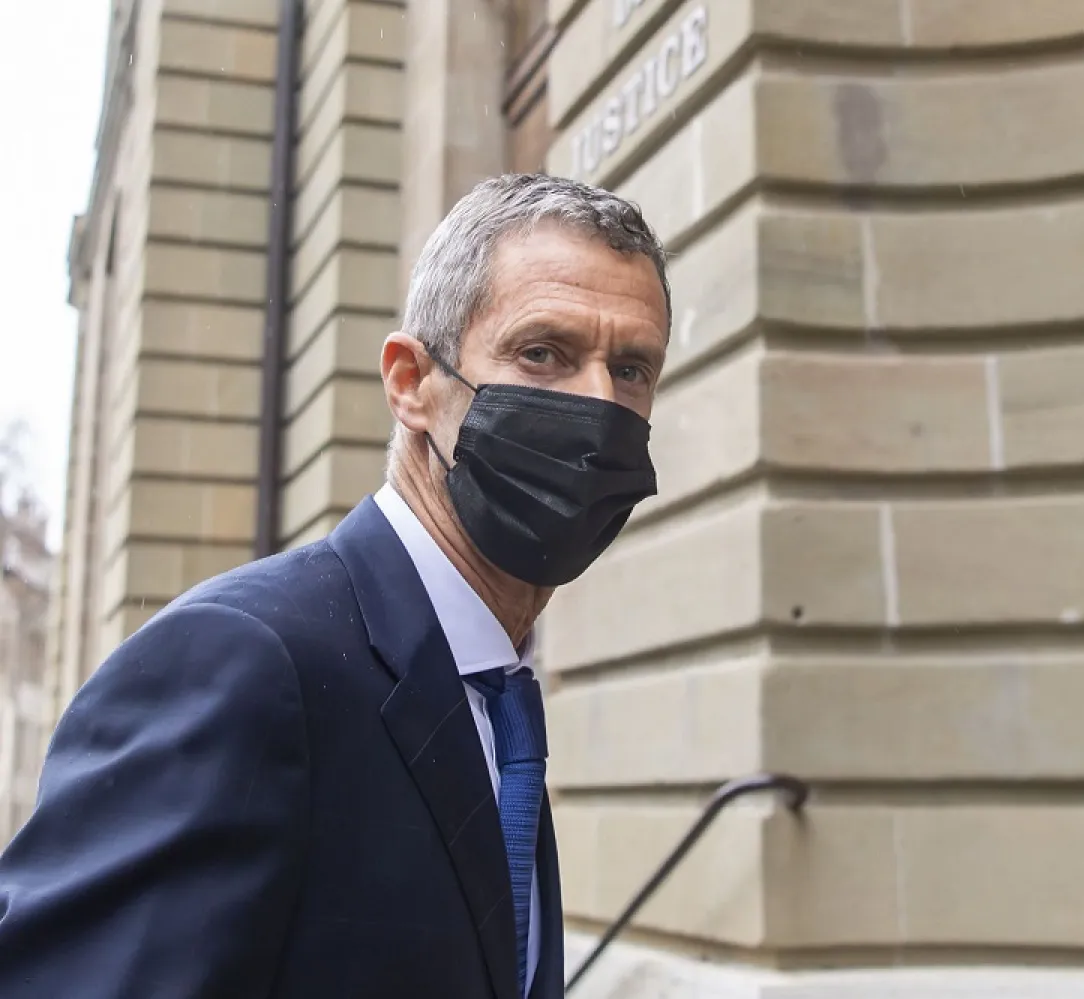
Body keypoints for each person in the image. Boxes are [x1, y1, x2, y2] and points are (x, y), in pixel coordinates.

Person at [0, 174, 671, 999]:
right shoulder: (242, 663)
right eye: (543, 353)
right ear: (411, 382)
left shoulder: (497, 691)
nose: (600, 405)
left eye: (631, 368)